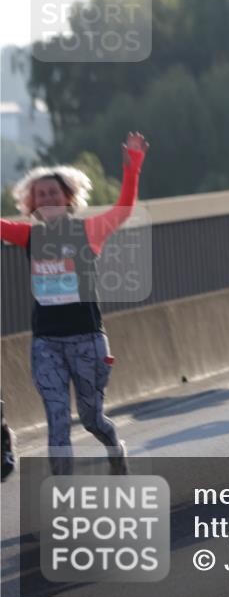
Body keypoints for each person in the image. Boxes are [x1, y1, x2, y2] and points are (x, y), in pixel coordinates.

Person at [0, 132, 148, 476]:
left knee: (92, 417)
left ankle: (114, 447)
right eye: (41, 194)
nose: (48, 198)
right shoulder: (29, 236)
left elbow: (124, 208)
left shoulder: (90, 231)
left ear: (68, 199)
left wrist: (133, 165)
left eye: (54, 192)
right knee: (56, 419)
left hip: (87, 340)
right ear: (32, 205)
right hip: (46, 343)